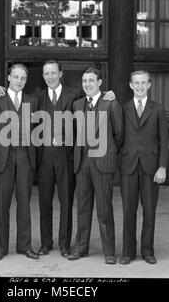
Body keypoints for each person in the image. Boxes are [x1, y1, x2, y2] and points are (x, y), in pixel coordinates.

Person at [0, 61, 116, 258]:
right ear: (42, 76)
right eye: (46, 74)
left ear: (61, 74)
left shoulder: (75, 95)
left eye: (53, 73)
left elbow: (94, 99)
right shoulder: (36, 98)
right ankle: (45, 243)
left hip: (67, 157)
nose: (50, 77)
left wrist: (110, 94)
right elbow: (15, 107)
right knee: (44, 202)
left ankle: (65, 244)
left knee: (67, 202)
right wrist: (0, 90)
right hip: (43, 157)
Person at [67, 67, 123, 264]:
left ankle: (109, 251)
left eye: (91, 80)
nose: (87, 84)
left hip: (102, 162)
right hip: (82, 163)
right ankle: (80, 248)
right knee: (82, 207)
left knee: (104, 209)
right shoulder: (77, 105)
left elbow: (119, 134)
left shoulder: (110, 103)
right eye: (84, 81)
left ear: (100, 82)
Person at [0, 64, 40, 261]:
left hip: (25, 158)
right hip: (4, 158)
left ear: (26, 81)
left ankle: (24, 246)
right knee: (2, 204)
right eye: (15, 77)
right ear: (9, 77)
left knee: (24, 203)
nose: (19, 81)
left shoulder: (33, 101)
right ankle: (1, 248)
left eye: (23, 78)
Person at [119, 70, 169, 265]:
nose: (139, 86)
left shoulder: (158, 109)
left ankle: (147, 250)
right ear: (131, 85)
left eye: (143, 83)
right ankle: (127, 252)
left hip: (151, 166)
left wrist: (162, 166)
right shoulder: (123, 108)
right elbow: (118, 137)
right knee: (128, 210)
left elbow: (164, 140)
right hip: (128, 166)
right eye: (136, 83)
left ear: (149, 85)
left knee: (149, 211)